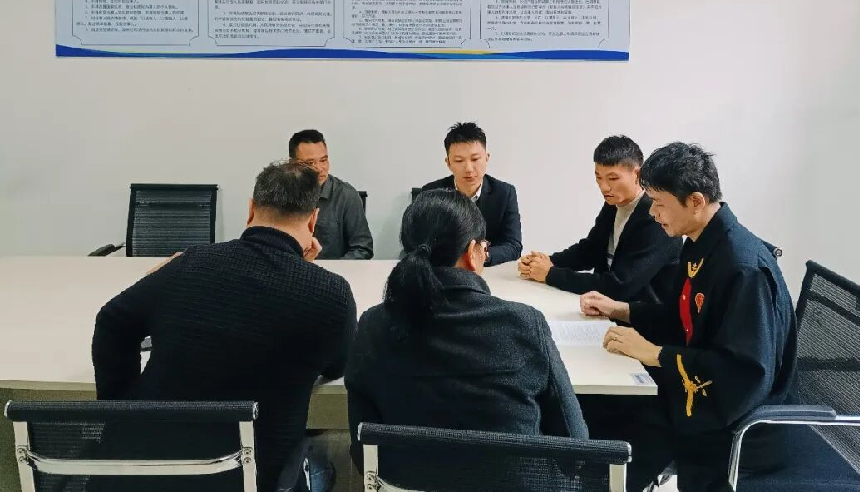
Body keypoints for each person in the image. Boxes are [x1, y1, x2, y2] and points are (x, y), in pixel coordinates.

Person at [92, 161, 357, 492]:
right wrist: (303, 273)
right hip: (250, 475)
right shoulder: (330, 293)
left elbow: (112, 321)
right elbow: (337, 364)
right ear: (313, 219)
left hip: (149, 469)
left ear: (251, 209)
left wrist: (122, 409)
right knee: (322, 464)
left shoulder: (190, 262)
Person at [580, 143, 797, 491]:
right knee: (596, 406)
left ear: (695, 201)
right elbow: (681, 316)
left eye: (659, 204)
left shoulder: (743, 269)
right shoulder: (701, 241)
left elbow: (743, 372)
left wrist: (655, 354)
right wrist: (621, 309)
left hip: (739, 421)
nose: (653, 214)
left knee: (627, 424)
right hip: (701, 382)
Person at [345, 189, 586, 487]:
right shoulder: (524, 323)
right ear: (472, 252)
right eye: (485, 247)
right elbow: (575, 449)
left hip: (407, 483)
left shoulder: (374, 325)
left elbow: (362, 450)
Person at [518, 135, 681, 303]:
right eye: (598, 177)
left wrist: (551, 274)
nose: (604, 187)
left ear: (637, 174)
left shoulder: (657, 217)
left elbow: (620, 286)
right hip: (605, 308)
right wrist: (544, 262)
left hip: (639, 314)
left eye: (613, 178)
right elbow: (589, 251)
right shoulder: (613, 204)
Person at [419, 122, 522, 265]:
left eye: (475, 159)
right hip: (444, 270)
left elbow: (513, 245)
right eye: (459, 160)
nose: (468, 168)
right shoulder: (431, 193)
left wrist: (481, 256)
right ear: (448, 163)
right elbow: (418, 243)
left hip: (487, 271)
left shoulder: (505, 193)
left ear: (487, 158)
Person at [290, 129, 373, 260]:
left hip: (331, 271)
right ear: (293, 164)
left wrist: (333, 270)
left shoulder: (346, 195)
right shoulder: (280, 194)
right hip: (289, 269)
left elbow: (362, 248)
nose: (319, 169)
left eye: (323, 160)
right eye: (310, 163)